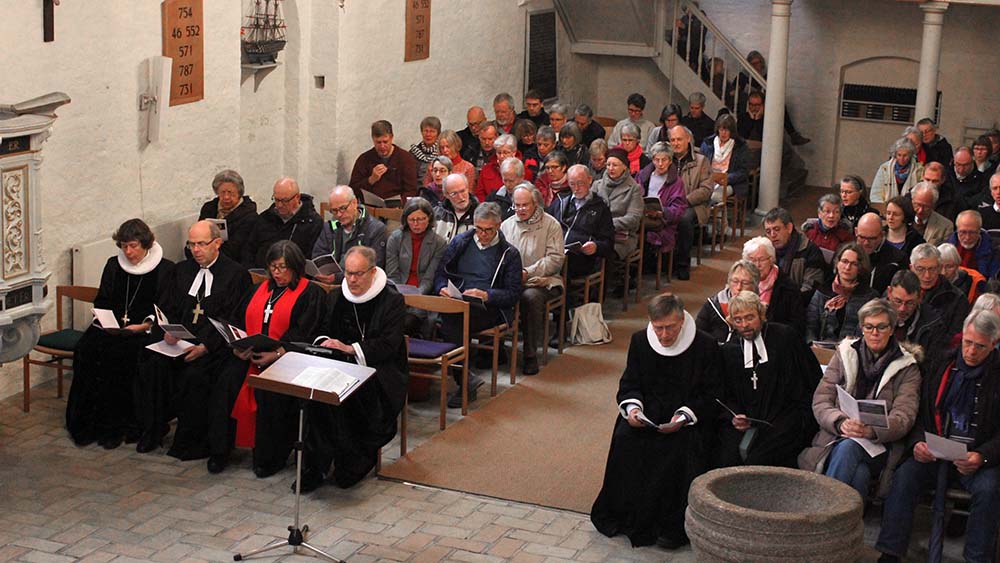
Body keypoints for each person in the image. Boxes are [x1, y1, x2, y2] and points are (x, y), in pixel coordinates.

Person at [591, 293, 721, 549]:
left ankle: (669, 526)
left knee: (678, 449)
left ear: (682, 320)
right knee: (625, 438)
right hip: (647, 414)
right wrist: (633, 410)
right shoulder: (640, 341)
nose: (663, 335)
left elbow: (712, 393)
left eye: (670, 327)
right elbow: (630, 383)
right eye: (658, 327)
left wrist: (683, 417)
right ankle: (625, 515)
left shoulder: (705, 345)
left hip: (687, 419)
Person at [875, 310, 1000, 563]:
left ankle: (977, 558)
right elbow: (921, 413)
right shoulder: (943, 365)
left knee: (989, 490)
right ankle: (890, 552)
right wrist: (918, 443)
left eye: (980, 346)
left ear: (994, 344)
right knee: (905, 477)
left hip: (977, 456)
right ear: (962, 336)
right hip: (935, 450)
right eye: (967, 342)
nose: (971, 351)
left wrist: (983, 456)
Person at [206, 241, 328, 475]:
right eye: (273, 267)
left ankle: (268, 458)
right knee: (225, 382)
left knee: (270, 394)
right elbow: (237, 320)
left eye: (283, 267)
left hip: (287, 361)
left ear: (296, 267)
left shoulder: (311, 293)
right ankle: (220, 451)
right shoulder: (257, 290)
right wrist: (237, 347)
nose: (277, 273)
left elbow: (305, 332)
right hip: (249, 357)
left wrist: (278, 353)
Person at [134, 220, 252, 457]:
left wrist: (205, 346)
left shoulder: (236, 275)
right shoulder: (181, 270)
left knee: (194, 376)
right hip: (178, 343)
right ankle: (153, 431)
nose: (196, 250)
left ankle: (190, 442)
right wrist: (168, 331)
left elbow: (233, 319)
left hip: (213, 348)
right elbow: (167, 307)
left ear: (217, 243)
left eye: (201, 244)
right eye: (191, 244)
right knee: (151, 364)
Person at [301, 246, 409, 491]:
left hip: (379, 371)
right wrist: (326, 344)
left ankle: (351, 464)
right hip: (338, 366)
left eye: (358, 274)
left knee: (352, 399)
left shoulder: (392, 300)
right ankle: (315, 466)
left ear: (372, 272)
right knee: (316, 398)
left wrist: (351, 349)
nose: (351, 280)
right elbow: (322, 329)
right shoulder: (336, 296)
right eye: (348, 273)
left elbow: (389, 344)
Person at [65, 219, 174, 449]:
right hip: (112, 328)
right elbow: (103, 299)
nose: (128, 252)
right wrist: (106, 321)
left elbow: (165, 306)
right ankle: (93, 423)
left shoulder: (165, 268)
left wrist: (143, 326)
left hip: (143, 331)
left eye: (133, 246)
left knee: (124, 357)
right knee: (86, 350)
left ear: (146, 244)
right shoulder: (113, 265)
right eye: (124, 246)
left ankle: (124, 424)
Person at [799, 298, 921, 500]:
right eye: (869, 327)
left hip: (879, 444)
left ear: (892, 329)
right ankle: (846, 518)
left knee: (849, 449)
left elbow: (904, 417)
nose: (875, 333)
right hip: (838, 436)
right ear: (862, 328)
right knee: (859, 475)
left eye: (881, 327)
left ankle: (824, 508)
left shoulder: (907, 367)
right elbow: (821, 400)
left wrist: (870, 430)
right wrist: (840, 422)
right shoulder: (845, 354)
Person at [715, 291, 821, 468]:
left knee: (759, 460)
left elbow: (810, 381)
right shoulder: (729, 351)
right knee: (726, 459)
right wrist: (735, 415)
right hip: (747, 420)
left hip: (785, 417)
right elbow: (724, 393)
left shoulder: (786, 338)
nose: (745, 325)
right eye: (738, 320)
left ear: (761, 315)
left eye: (750, 318)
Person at [434, 203, 522, 406]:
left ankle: (464, 381)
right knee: (450, 317)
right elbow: (441, 273)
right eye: (479, 229)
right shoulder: (461, 242)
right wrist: (442, 287)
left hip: (489, 309)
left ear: (498, 225)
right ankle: (466, 380)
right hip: (458, 300)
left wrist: (487, 295)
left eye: (488, 230)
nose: (482, 234)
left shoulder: (509, 254)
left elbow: (513, 293)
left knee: (452, 321)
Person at [501, 185, 564, 375]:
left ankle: (530, 355)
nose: (520, 209)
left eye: (525, 205)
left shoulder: (551, 224)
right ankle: (493, 350)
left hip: (543, 280)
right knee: (490, 293)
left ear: (535, 203)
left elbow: (555, 259)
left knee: (530, 298)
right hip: (512, 280)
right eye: (517, 205)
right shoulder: (506, 225)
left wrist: (527, 272)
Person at [385, 197, 448, 335]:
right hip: (396, 293)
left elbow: (429, 279)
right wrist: (399, 294)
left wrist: (415, 296)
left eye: (420, 219)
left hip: (422, 296)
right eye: (412, 220)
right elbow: (392, 274)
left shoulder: (439, 243)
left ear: (429, 218)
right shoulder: (395, 238)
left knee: (406, 323)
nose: (416, 224)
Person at [547, 165, 615, 280]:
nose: (576, 188)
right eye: (572, 184)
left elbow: (608, 242)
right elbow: (546, 224)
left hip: (582, 257)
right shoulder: (561, 201)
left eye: (580, 183)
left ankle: (559, 291)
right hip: (554, 251)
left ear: (589, 180)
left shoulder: (600, 207)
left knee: (562, 264)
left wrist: (596, 246)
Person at [311, 185, 388, 283]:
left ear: (354, 203)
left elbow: (373, 266)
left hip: (358, 283)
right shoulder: (329, 227)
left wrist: (337, 278)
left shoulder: (376, 229)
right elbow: (318, 256)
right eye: (334, 211)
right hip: (328, 281)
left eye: (343, 208)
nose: (339, 214)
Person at [242, 177, 323, 269]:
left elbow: (311, 259)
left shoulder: (313, 223)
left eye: (285, 201)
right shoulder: (265, 218)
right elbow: (249, 249)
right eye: (277, 200)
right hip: (261, 273)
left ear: (297, 197)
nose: (280, 205)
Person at [593, 148, 643, 296]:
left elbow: (633, 218)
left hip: (621, 237)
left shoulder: (634, 188)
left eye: (615, 165)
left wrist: (607, 225)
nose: (611, 168)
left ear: (625, 167)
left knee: (604, 254)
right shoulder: (597, 185)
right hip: (596, 234)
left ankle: (598, 295)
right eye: (608, 164)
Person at [807, 242, 878, 343]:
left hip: (853, 349)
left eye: (854, 264)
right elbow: (810, 325)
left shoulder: (869, 297)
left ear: (860, 268)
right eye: (844, 261)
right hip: (822, 346)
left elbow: (866, 332)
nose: (847, 267)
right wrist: (812, 345)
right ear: (837, 263)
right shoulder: (823, 291)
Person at [668, 125, 713, 279]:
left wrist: (684, 201)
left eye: (679, 139)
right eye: (672, 140)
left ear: (688, 139)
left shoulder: (701, 161)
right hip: (670, 203)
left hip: (694, 204)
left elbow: (706, 189)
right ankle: (660, 262)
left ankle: (683, 264)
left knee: (684, 219)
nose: (676, 143)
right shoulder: (666, 159)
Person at [637, 142, 688, 277]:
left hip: (663, 221)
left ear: (670, 161)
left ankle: (641, 269)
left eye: (664, 160)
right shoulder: (643, 175)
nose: (660, 164)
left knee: (646, 232)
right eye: (656, 160)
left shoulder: (676, 182)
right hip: (642, 215)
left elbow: (679, 208)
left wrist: (662, 212)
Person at [741, 236, 807, 337]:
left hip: (775, 338)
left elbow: (797, 325)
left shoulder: (788, 288)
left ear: (771, 259)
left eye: (761, 259)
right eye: (752, 260)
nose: (757, 265)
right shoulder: (740, 282)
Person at [763, 207, 826, 302]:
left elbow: (810, 289)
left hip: (797, 303)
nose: (772, 235)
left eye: (776, 229)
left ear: (789, 228)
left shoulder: (809, 251)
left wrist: (784, 302)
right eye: (768, 231)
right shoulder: (766, 251)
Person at [348, 120, 418, 204]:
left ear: (391, 138)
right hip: (371, 207)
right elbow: (352, 191)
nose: (382, 146)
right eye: (378, 142)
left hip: (398, 208)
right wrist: (371, 180)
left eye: (385, 142)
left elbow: (411, 190)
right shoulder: (364, 159)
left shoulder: (406, 159)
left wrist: (398, 204)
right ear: (373, 139)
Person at [198, 170, 258, 263]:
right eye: (222, 192)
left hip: (233, 261)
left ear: (239, 193)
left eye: (230, 193)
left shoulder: (250, 216)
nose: (226, 197)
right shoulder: (208, 208)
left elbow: (235, 248)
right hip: (205, 256)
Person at [910, 243, 970, 336]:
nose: (927, 275)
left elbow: (954, 337)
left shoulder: (957, 299)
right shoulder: (900, 291)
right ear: (911, 268)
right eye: (920, 269)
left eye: (932, 269)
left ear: (939, 268)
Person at [885, 270, 946, 358]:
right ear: (889, 292)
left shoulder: (933, 324)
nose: (902, 309)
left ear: (920, 297)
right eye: (898, 301)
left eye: (910, 303)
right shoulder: (873, 315)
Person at [695, 260, 759, 344]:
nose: (739, 287)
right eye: (735, 281)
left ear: (755, 285)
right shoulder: (713, 304)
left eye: (745, 283)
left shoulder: (760, 308)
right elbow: (698, 333)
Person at [700, 113, 752, 200]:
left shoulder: (740, 146)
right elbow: (700, 164)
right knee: (698, 194)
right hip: (708, 180)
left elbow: (744, 171)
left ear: (732, 131)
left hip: (731, 183)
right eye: (721, 129)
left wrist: (728, 178)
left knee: (714, 196)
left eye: (727, 130)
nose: (723, 133)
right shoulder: (708, 143)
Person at [855, 212, 907, 295]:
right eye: (862, 237)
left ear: (882, 235)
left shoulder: (898, 259)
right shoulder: (848, 254)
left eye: (872, 238)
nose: (866, 243)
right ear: (856, 232)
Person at [946, 209, 999, 279]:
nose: (967, 237)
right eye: (963, 232)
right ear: (957, 230)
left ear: (979, 231)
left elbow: (994, 279)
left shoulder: (993, 250)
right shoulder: (945, 249)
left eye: (972, 232)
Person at [801, 193, 854, 258]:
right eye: (827, 211)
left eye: (836, 212)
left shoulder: (846, 235)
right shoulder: (809, 231)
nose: (831, 216)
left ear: (840, 215)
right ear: (819, 213)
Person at [425, 130, 477, 196]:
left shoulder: (468, 168)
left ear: (456, 146)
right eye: (442, 147)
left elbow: (469, 193)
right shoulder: (433, 165)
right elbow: (425, 190)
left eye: (448, 146)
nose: (445, 150)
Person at [872, 138, 923, 205]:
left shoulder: (919, 170)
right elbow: (876, 193)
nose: (902, 158)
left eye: (905, 155)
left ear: (911, 155)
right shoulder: (884, 168)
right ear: (895, 155)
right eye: (899, 155)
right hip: (886, 206)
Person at [433, 173, 478, 241]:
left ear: (468, 189)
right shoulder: (436, 214)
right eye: (454, 193)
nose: (460, 197)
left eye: (463, 191)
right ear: (446, 195)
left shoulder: (479, 214)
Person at [475, 134, 519, 202]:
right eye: (499, 153)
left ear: (514, 153)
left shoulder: (522, 169)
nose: (501, 156)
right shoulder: (486, 169)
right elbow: (479, 193)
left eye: (505, 153)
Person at [951, 146, 986, 215]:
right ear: (954, 161)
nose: (961, 169)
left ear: (973, 161)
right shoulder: (946, 175)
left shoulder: (982, 180)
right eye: (958, 164)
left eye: (966, 165)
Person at [409, 116, 440, 181]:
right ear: (421, 132)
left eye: (432, 131)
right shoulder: (413, 152)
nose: (428, 134)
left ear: (438, 133)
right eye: (426, 131)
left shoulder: (442, 152)